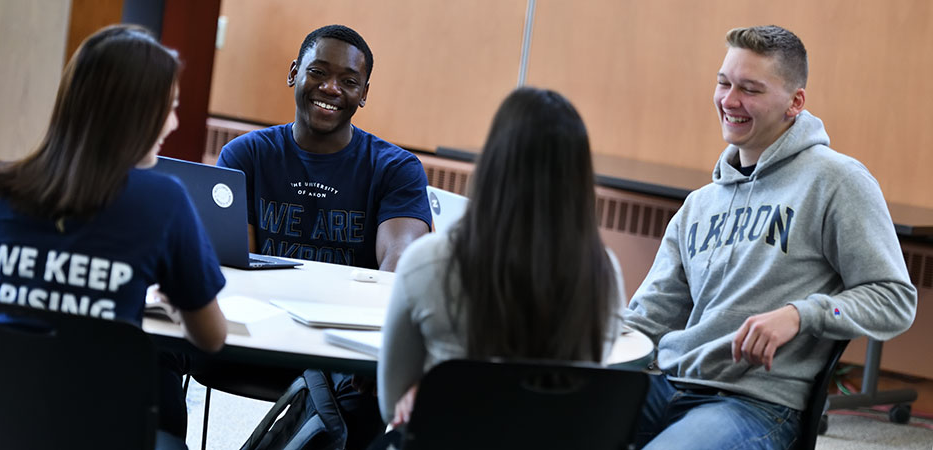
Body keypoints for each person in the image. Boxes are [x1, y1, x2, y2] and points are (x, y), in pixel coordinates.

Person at [625, 25, 917, 449]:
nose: (729, 100)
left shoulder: (836, 182)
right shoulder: (699, 205)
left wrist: (803, 315)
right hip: (669, 384)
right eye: (724, 82)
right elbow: (649, 318)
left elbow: (894, 299)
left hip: (755, 405)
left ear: (795, 102)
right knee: (543, 417)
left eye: (751, 89)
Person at [0, 25, 228, 440]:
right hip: (105, 428)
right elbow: (210, 338)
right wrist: (175, 302)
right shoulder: (165, 200)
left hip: (2, 423)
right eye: (168, 108)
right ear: (135, 114)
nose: (172, 123)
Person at [377, 87, 625, 430]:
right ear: (580, 177)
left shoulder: (429, 261)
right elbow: (580, 395)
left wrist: (433, 392)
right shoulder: (603, 272)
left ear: (493, 161)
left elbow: (391, 404)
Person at [217, 24, 431, 272]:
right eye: (318, 72)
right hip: (262, 306)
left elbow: (400, 262)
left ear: (363, 93)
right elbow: (233, 263)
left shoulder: (396, 169)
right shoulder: (245, 155)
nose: (330, 87)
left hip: (354, 309)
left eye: (349, 81)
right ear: (294, 73)